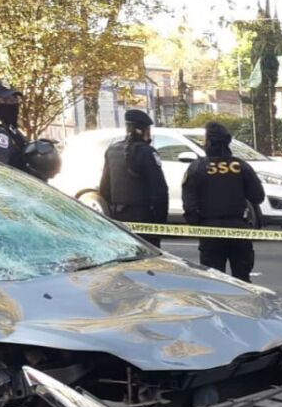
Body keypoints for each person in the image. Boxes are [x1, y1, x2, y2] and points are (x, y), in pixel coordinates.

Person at [183, 121, 264, 282]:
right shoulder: (241, 166)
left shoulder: (197, 168)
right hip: (238, 230)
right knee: (242, 282)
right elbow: (258, 196)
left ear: (209, 142)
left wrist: (198, 226)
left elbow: (189, 206)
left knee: (214, 283)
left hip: (210, 231)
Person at [99, 108, 169, 248]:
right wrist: (160, 223)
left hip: (119, 218)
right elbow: (160, 191)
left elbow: (104, 189)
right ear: (143, 130)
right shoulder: (146, 152)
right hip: (144, 218)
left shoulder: (112, 150)